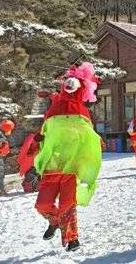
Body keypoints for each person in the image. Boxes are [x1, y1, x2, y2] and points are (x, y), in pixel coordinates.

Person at [34, 62, 102, 252]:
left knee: (67, 204)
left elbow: (87, 136)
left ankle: (72, 239)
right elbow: (47, 132)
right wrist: (39, 138)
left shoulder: (82, 113)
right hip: (51, 166)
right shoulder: (54, 108)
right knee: (42, 204)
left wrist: (95, 143)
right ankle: (54, 221)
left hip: (71, 167)